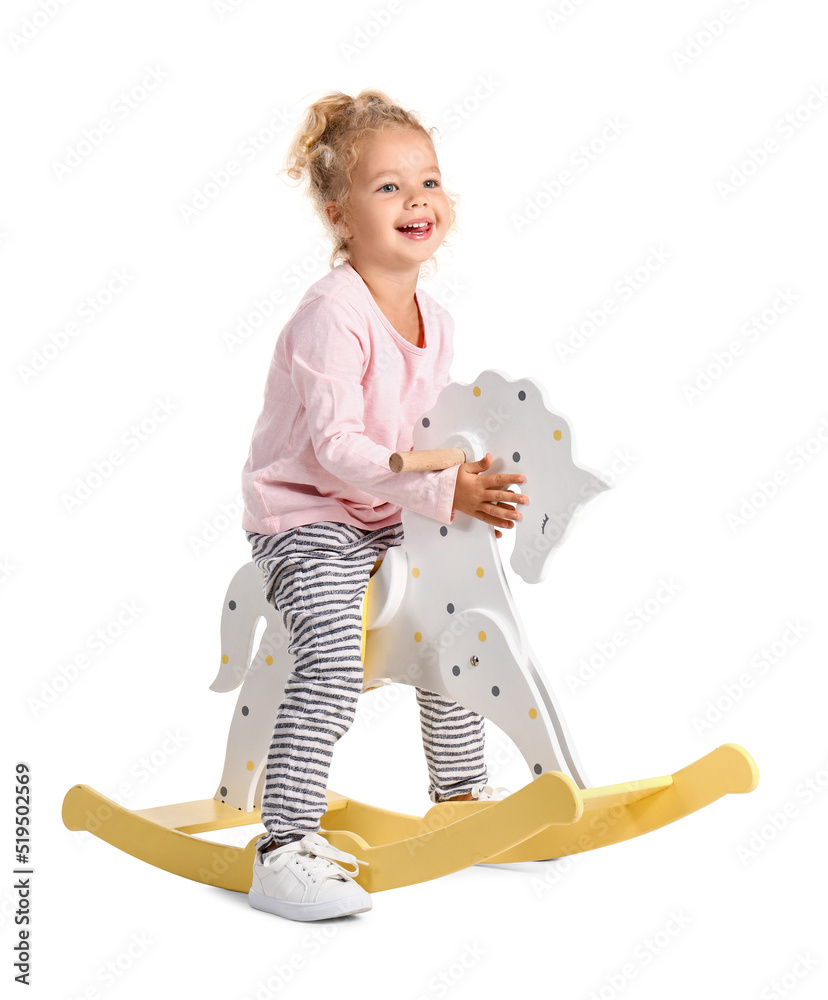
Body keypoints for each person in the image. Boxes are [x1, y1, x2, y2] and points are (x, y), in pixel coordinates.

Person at [240, 89, 529, 921]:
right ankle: (284, 846)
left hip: (381, 513)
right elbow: (337, 451)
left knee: (453, 635)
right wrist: (444, 483)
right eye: (389, 188)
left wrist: (472, 477)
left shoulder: (435, 318)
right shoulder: (333, 313)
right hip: (307, 519)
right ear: (339, 213)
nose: (417, 201)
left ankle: (462, 796)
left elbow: (423, 429)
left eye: (429, 182)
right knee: (330, 662)